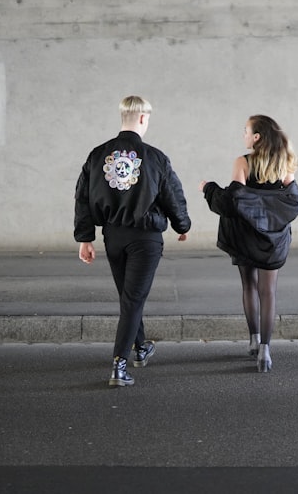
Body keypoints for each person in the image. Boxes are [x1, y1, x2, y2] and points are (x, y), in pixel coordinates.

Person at [74, 96, 191, 387]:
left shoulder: (97, 155)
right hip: (145, 238)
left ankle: (140, 348)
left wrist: (85, 238)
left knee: (129, 299)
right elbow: (172, 195)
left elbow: (82, 198)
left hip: (113, 236)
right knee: (133, 300)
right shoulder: (155, 157)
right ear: (142, 118)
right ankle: (119, 365)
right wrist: (182, 225)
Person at [200, 115, 298, 373]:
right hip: (274, 239)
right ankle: (266, 351)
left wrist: (209, 188)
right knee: (269, 291)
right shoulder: (284, 164)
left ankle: (253, 340)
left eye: (246, 131)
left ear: (256, 137)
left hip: (245, 236)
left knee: (249, 286)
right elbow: (295, 203)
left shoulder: (243, 162)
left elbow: (232, 202)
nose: (243, 135)